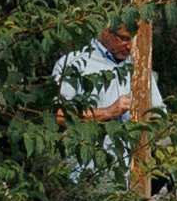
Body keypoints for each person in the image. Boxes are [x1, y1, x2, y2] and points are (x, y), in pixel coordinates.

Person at [54, 25, 154, 177]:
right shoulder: (74, 63)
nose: (131, 46)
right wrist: (108, 112)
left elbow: (158, 115)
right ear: (105, 30)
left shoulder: (139, 65)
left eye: (135, 39)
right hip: (86, 177)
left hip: (131, 180)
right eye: (124, 39)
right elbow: (59, 116)